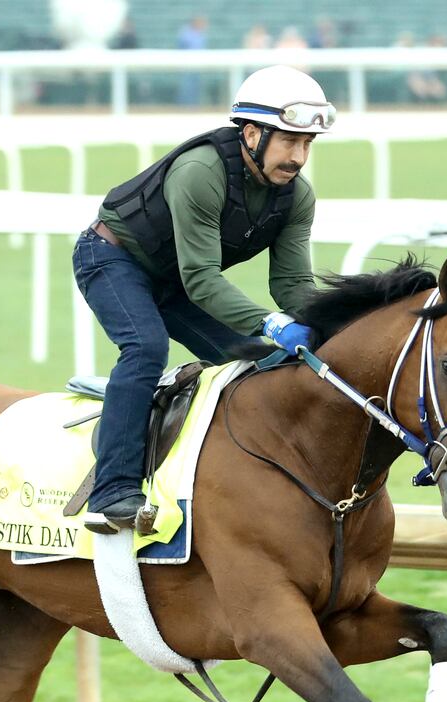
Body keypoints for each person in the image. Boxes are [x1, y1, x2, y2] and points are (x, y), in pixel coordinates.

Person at [72, 65, 335, 534]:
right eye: (289, 141)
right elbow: (201, 280)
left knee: (258, 361)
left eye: (307, 145)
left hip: (174, 280)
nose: (299, 156)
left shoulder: (297, 198)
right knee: (145, 347)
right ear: (252, 133)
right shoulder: (201, 172)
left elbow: (292, 285)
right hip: (112, 258)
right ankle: (111, 491)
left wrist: (331, 325)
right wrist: (273, 324)